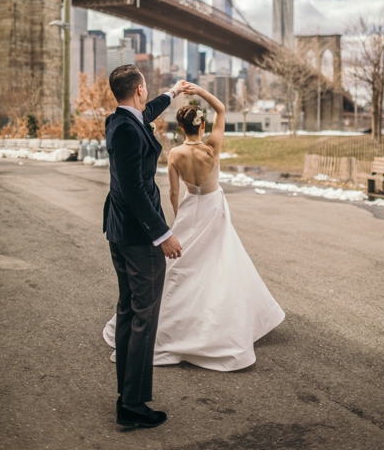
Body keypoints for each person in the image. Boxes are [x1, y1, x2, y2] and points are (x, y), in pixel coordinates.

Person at [103, 83, 285, 371]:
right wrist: (199, 92)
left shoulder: (175, 154)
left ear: (181, 127)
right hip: (214, 208)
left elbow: (174, 193)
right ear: (202, 126)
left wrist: (181, 215)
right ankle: (220, 320)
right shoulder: (212, 148)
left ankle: (166, 323)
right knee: (219, 262)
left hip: (190, 207)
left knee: (181, 267)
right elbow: (222, 109)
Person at [103, 65, 186, 429]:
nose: (147, 94)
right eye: (147, 89)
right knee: (142, 317)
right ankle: (132, 403)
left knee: (128, 311)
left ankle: (128, 394)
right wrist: (162, 234)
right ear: (138, 88)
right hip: (138, 236)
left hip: (121, 231)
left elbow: (145, 113)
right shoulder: (126, 131)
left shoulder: (121, 120)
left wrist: (173, 93)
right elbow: (133, 189)